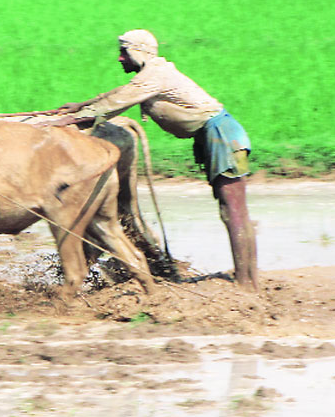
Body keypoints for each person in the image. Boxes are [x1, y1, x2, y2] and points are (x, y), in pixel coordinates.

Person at [49, 29, 258, 291]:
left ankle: (246, 283)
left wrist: (70, 120)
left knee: (234, 212)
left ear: (138, 51)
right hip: (223, 136)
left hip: (223, 137)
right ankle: (249, 281)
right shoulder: (152, 74)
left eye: (124, 52)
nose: (120, 59)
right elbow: (120, 92)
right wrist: (80, 106)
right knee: (234, 212)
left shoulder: (155, 76)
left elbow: (117, 102)